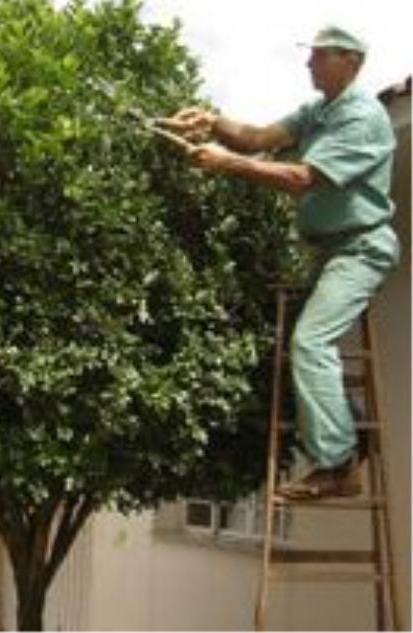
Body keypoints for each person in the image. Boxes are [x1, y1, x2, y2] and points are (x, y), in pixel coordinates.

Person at [164, 25, 399, 500]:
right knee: (304, 348)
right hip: (331, 250)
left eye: (317, 56)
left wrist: (227, 164)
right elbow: (257, 137)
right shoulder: (320, 110)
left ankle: (338, 468)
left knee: (310, 343)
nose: (307, 64)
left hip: (359, 249)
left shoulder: (362, 118)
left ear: (347, 60)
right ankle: (354, 435)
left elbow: (300, 177)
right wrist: (210, 120)